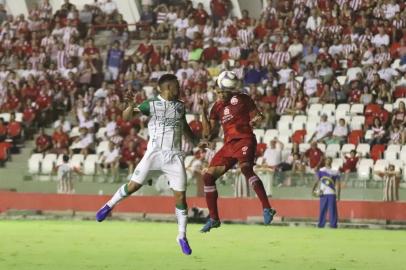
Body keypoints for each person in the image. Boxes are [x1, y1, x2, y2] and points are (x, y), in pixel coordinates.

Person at [96, 74, 198, 255]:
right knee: (133, 186)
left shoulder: (180, 106)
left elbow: (185, 129)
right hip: (155, 154)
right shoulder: (151, 104)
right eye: (176, 87)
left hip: (174, 156)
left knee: (181, 197)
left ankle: (181, 236)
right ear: (167, 88)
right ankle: (108, 206)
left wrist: (198, 142)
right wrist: (128, 105)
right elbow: (126, 117)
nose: (179, 89)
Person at [199, 71, 276, 233]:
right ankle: (213, 218)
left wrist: (257, 119)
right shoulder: (216, 107)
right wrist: (202, 112)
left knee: (246, 168)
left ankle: (267, 208)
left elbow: (258, 115)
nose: (221, 95)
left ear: (231, 90)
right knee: (208, 176)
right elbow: (208, 133)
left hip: (244, 139)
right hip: (228, 145)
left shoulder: (242, 99)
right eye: (220, 91)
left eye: (224, 92)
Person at [312, 157, 341, 228]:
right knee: (322, 209)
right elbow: (317, 181)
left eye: (329, 160)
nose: (327, 161)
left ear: (331, 161)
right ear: (324, 161)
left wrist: (338, 195)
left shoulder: (335, 171)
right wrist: (313, 190)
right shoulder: (321, 170)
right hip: (323, 193)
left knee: (332, 210)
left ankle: (333, 225)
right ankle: (321, 224)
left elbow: (338, 184)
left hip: (332, 193)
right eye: (326, 160)